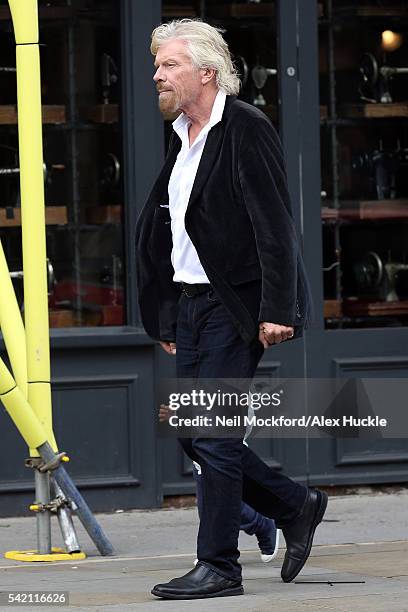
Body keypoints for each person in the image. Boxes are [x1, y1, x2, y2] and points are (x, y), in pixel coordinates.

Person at [135, 18, 328, 600]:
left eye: (169, 65)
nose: (157, 75)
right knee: (193, 436)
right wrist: (169, 314)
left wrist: (278, 308)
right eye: (157, 65)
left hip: (234, 307)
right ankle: (296, 504)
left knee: (215, 438)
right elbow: (174, 229)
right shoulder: (182, 135)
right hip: (192, 306)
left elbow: (274, 224)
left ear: (206, 71)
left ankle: (219, 565)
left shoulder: (244, 127)